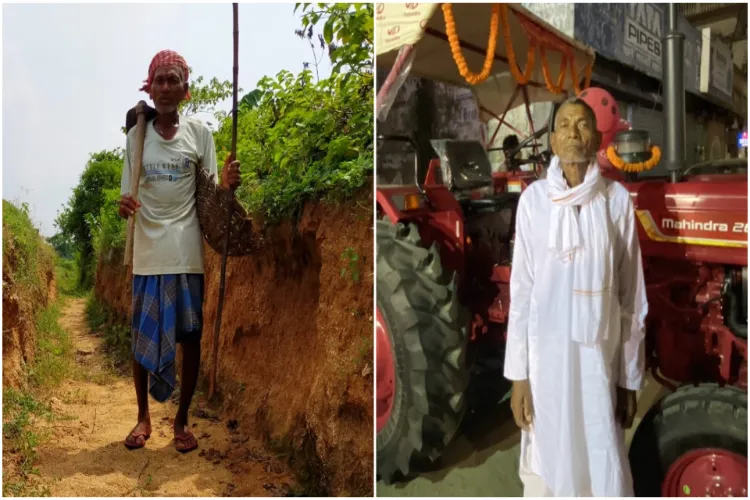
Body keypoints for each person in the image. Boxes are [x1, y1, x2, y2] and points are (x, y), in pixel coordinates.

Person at [503, 97, 648, 496]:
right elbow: (522, 294)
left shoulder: (616, 202)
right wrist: (519, 377)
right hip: (547, 364)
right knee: (549, 462)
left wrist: (628, 380)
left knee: (601, 457)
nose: (572, 131)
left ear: (597, 138)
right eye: (564, 124)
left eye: (582, 124)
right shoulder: (533, 202)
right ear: (552, 140)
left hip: (598, 363)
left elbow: (631, 296)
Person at [118, 50, 241, 453]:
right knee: (141, 337)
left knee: (191, 337)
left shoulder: (200, 134)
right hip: (148, 253)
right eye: (159, 81)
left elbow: (210, 198)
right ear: (149, 88)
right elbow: (126, 196)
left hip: (187, 251)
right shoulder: (136, 136)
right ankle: (143, 417)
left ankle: (183, 420)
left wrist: (228, 187)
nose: (166, 87)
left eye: (174, 80)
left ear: (185, 90)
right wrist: (125, 206)